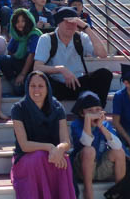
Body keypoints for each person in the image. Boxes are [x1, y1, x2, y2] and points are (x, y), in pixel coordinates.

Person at [10, 71, 76, 199]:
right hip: (26, 158)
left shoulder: (57, 108)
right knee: (40, 156)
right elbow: (24, 145)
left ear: (47, 88)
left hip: (51, 155)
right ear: (27, 87)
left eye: (40, 86)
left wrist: (59, 149)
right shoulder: (18, 109)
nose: (36, 90)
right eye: (32, 86)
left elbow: (66, 141)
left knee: (64, 159)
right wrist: (49, 147)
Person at [33, 7, 112, 106]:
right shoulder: (46, 39)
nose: (70, 25)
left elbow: (103, 54)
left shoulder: (81, 37)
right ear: (58, 23)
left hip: (77, 83)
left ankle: (97, 109)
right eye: (67, 22)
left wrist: (86, 27)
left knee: (105, 74)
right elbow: (37, 67)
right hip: (56, 85)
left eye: (73, 22)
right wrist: (61, 69)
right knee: (39, 79)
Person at [70, 91, 126, 199]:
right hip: (82, 169)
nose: (94, 113)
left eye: (97, 110)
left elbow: (118, 146)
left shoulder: (104, 124)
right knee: (89, 150)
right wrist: (87, 120)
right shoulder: (76, 124)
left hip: (100, 167)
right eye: (90, 111)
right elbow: (86, 143)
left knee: (119, 152)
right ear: (82, 113)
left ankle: (119, 192)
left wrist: (101, 127)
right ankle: (88, 191)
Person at [0, 8, 42, 96]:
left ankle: (23, 82)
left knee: (20, 91)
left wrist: (22, 74)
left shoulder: (34, 35)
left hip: (32, 68)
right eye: (17, 21)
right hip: (20, 65)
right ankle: (14, 81)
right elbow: (10, 52)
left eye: (23, 21)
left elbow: (32, 55)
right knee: (3, 59)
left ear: (29, 21)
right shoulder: (16, 35)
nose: (20, 24)